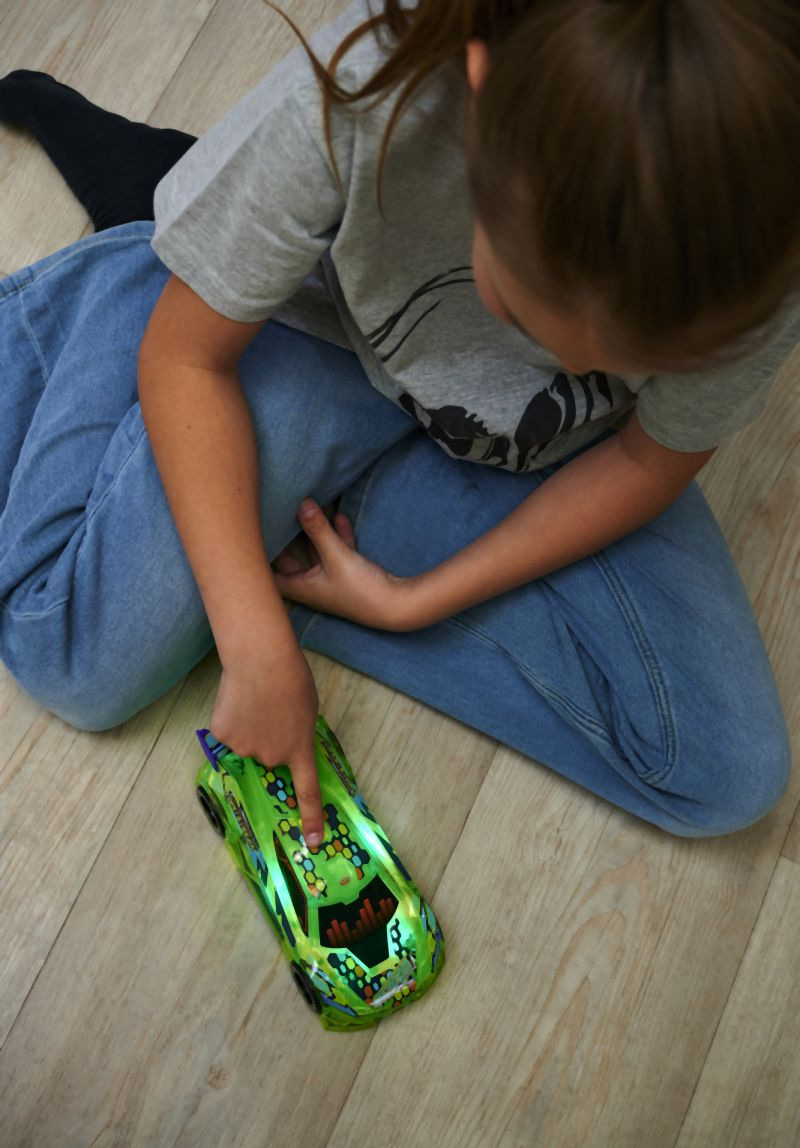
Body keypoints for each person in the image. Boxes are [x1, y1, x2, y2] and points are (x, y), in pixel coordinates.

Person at [0, 0, 797, 848]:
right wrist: (253, 640)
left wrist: (413, 603)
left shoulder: (765, 230)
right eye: (531, 310)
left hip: (529, 444)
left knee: (724, 773)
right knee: (74, 657)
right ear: (486, 99)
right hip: (319, 342)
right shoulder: (364, 87)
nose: (570, 361)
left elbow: (646, 461)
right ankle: (152, 259)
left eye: (635, 359)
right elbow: (187, 362)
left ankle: (301, 502)